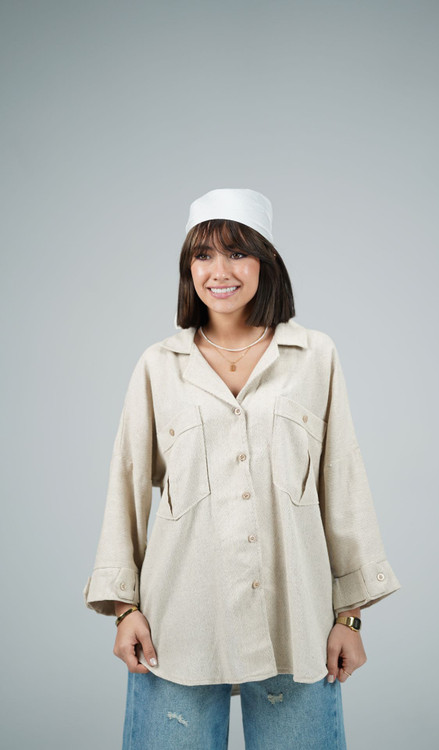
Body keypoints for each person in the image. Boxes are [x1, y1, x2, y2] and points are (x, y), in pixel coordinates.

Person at [84, 188, 401, 750]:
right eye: (203, 255)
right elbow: (125, 487)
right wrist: (124, 609)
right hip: (178, 623)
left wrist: (348, 617)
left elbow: (342, 482)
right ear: (188, 268)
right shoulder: (159, 366)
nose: (220, 271)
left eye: (237, 253)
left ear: (266, 261)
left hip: (295, 620)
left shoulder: (315, 357)